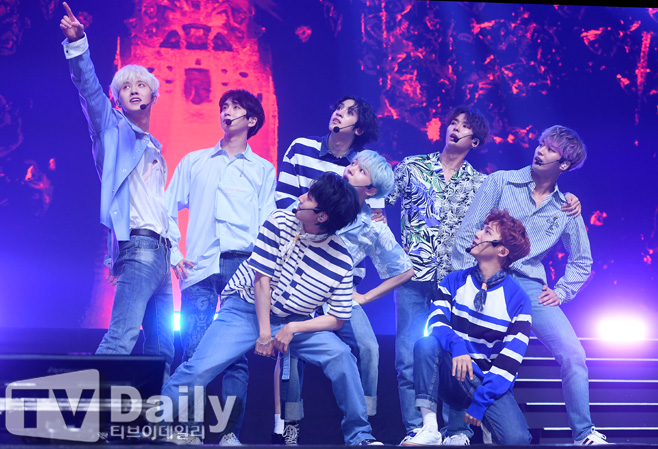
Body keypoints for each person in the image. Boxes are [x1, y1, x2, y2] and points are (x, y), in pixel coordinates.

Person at [385, 107, 582, 444]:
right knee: (414, 352)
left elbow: (486, 230)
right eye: (453, 123)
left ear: (475, 141)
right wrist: (394, 251)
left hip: (476, 278)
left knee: (468, 353)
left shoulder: (484, 182)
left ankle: (458, 431)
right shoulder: (416, 166)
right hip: (420, 274)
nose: (455, 128)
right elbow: (381, 199)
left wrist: (562, 290)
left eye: (464, 126)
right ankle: (421, 428)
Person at [161, 172, 383, 446]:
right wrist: (265, 334)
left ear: (322, 216)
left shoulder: (341, 261)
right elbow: (261, 280)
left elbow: (337, 319)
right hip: (246, 308)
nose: (301, 198)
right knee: (200, 368)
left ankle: (360, 436)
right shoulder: (279, 221)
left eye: (309, 197)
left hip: (296, 320)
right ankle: (150, 425)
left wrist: (293, 327)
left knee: (341, 356)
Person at [451, 125, 609, 445]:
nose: (540, 151)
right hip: (488, 276)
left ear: (564, 164)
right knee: (467, 347)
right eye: (541, 144)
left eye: (550, 149)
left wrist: (562, 292)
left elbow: (582, 260)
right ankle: (457, 432)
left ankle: (583, 433)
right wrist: (467, 282)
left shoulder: (566, 207)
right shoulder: (501, 181)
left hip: (532, 287)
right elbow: (468, 233)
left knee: (574, 354)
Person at [60, 2, 175, 376]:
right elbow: (89, 89)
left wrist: (174, 254)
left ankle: (157, 413)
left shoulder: (154, 147)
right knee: (120, 339)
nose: (134, 90)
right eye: (126, 87)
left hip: (161, 253)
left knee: (163, 349)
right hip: (140, 248)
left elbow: (156, 206)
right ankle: (85, 410)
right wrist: (78, 45)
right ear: (118, 99)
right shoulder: (111, 131)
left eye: (141, 85)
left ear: (154, 95)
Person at [272, 150, 414, 445]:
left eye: (361, 170)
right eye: (354, 163)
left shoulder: (373, 225)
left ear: (371, 190)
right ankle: (290, 425)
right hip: (300, 290)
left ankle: (362, 425)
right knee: (292, 353)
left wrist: (364, 297)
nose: (351, 168)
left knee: (369, 346)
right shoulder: (321, 200)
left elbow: (404, 270)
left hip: (340, 296)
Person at [165, 89, 276, 444]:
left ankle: (229, 433)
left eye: (235, 107)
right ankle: (189, 430)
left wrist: (263, 271)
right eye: (223, 107)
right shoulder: (195, 161)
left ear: (251, 120)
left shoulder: (262, 170)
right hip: (200, 266)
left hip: (242, 267)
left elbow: (268, 224)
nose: (226, 112)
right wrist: (175, 253)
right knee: (195, 349)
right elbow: (167, 207)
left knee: (234, 357)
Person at [403, 209, 533, 446]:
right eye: (482, 228)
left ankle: (482, 428)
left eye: (487, 232)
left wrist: (481, 402)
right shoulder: (453, 281)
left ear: (502, 251)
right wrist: (457, 345)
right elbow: (435, 322)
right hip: (452, 372)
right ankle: (430, 428)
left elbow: (510, 360)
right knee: (426, 344)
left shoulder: (519, 299)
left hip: (486, 382)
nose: (477, 234)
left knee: (518, 440)